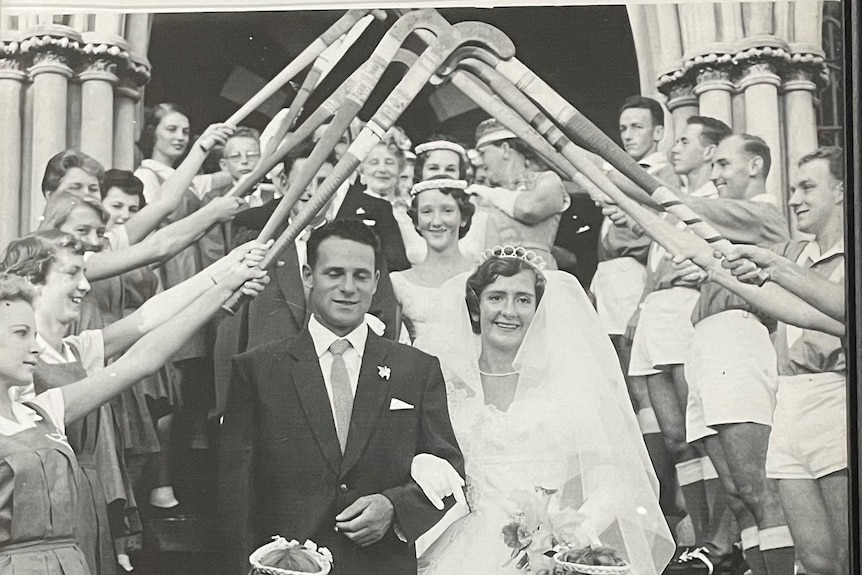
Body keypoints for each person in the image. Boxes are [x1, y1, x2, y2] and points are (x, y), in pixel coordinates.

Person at [0, 240, 267, 575]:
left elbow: (143, 357)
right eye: (21, 334)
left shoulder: (44, 410)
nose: (34, 347)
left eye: (32, 334)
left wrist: (223, 285)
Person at [218, 218, 464, 575]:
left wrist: (395, 507)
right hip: (287, 568)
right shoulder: (257, 370)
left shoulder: (415, 369)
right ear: (308, 275)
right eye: (334, 273)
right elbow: (235, 495)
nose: (348, 287)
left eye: (361, 275)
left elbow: (450, 471)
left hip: (381, 565)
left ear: (377, 281)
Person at [415, 247, 674, 575]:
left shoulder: (565, 383)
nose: (509, 311)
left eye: (523, 299)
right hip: (466, 548)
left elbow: (610, 479)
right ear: (476, 307)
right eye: (496, 297)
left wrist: (568, 538)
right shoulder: (446, 383)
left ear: (538, 309)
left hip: (554, 548)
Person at [673, 147, 848, 575]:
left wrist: (772, 266)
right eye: (792, 188)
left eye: (808, 187)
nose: (794, 198)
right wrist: (713, 269)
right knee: (815, 561)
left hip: (837, 399)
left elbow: (836, 313)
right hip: (789, 401)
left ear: (843, 190)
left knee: (847, 557)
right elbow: (785, 306)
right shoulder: (795, 252)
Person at [212, 144, 400, 414]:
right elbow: (230, 333)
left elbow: (383, 318)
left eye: (323, 182)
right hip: (269, 391)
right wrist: (226, 407)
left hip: (339, 391)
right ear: (284, 183)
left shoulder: (359, 245)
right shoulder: (257, 245)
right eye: (304, 182)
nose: (313, 192)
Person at [682, 134, 794, 575]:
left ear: (755, 166)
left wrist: (612, 176)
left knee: (755, 485)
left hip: (738, 339)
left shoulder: (763, 215)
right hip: (708, 343)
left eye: (724, 164)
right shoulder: (733, 225)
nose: (715, 175)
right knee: (734, 490)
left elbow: (681, 205)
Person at [627, 115, 735, 569]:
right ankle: (697, 527)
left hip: (685, 315)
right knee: (674, 436)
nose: (676, 147)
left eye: (686, 140)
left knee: (700, 430)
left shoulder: (714, 202)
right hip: (655, 316)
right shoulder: (670, 206)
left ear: (710, 152)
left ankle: (719, 538)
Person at [468, 119, 570, 269]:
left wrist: (487, 193)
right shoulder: (479, 194)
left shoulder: (547, 180)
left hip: (539, 275)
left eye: (483, 153)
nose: (480, 161)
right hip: (491, 276)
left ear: (505, 149)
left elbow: (529, 209)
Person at [390, 176, 476, 351]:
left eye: (447, 210)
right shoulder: (399, 282)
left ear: (463, 218)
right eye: (427, 211)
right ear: (416, 221)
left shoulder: (480, 274)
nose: (436, 221)